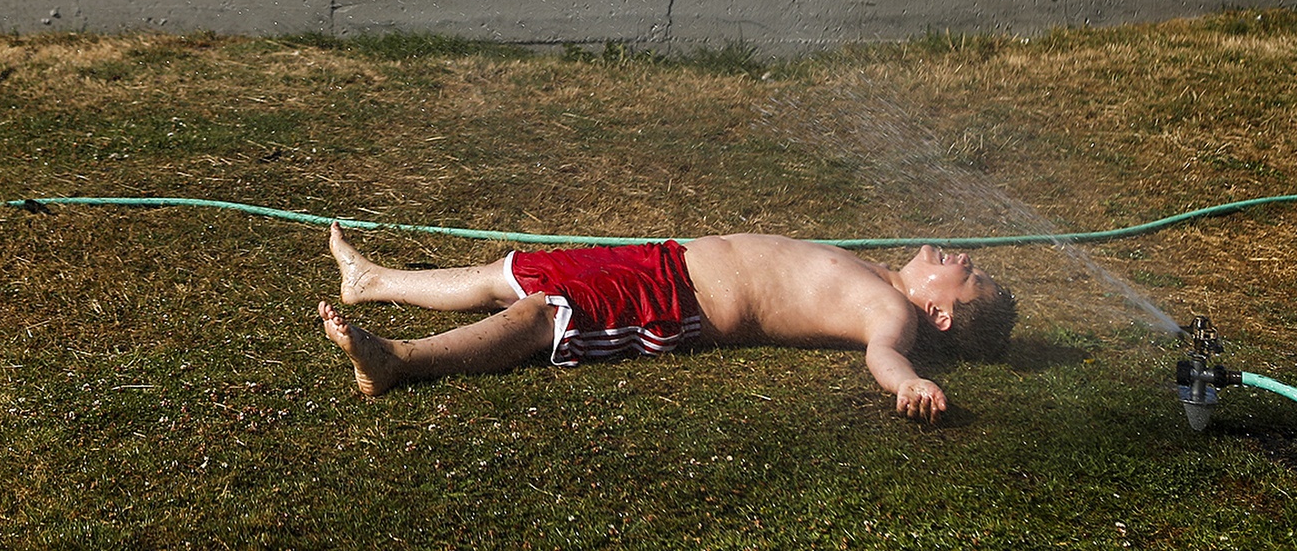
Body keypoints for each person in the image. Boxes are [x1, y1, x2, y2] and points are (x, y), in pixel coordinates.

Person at [317, 224, 1015, 422]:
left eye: (969, 270)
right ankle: (372, 281)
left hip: (673, 302)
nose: (961, 255)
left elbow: (884, 354)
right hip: (666, 262)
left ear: (943, 315)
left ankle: (400, 360)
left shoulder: (892, 312)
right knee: (519, 271)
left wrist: (909, 382)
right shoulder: (883, 276)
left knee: (541, 314)